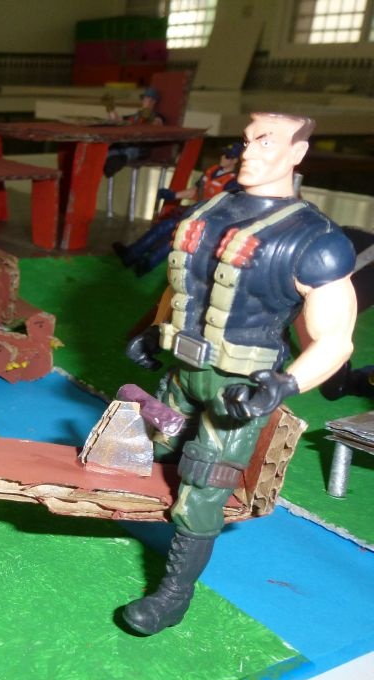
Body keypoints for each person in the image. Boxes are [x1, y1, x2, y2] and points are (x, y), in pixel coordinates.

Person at [122, 112, 357, 636]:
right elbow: (182, 284)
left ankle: (173, 596)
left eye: (266, 142)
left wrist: (284, 384)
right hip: (181, 370)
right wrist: (154, 330)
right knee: (146, 446)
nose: (249, 152)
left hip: (239, 389)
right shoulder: (211, 211)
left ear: (297, 153)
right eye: (247, 140)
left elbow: (336, 339)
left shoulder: (314, 240)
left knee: (204, 484)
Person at [113, 142, 243, 275]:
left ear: (235, 161)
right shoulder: (212, 171)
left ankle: (147, 264)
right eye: (223, 154)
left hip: (207, 219)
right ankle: (131, 254)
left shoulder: (232, 182)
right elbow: (195, 191)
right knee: (164, 226)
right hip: (194, 211)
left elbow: (227, 207)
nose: (223, 158)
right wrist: (173, 195)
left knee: (177, 237)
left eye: (228, 156)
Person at [103, 86, 164, 178]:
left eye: (149, 99)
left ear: (154, 101)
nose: (146, 101)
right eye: (145, 98)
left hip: (140, 147)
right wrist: (110, 107)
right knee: (112, 151)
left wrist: (148, 117)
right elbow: (117, 121)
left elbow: (158, 124)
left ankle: (118, 161)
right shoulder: (135, 116)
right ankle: (111, 162)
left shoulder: (156, 116)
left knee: (130, 151)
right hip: (126, 143)